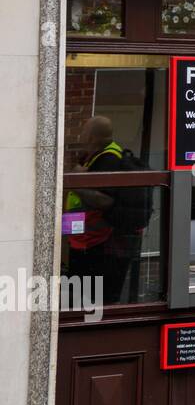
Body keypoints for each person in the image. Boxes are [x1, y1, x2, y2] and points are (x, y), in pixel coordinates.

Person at [63, 116, 132, 304]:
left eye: (84, 131)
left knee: (87, 297)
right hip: (83, 239)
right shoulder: (95, 155)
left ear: (92, 137)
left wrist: (74, 182)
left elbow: (105, 200)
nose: (81, 134)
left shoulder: (108, 158)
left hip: (96, 243)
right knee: (79, 292)